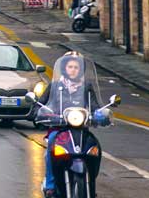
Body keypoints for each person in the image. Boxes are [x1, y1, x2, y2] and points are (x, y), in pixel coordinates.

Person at [34, 52, 112, 197]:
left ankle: (91, 182)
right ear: (64, 68)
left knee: (94, 147)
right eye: (70, 66)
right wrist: (42, 113)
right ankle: (50, 185)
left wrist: (101, 115)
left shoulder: (86, 87)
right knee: (50, 147)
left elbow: (95, 106)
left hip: (81, 130)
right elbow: (39, 105)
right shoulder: (55, 86)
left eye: (76, 67)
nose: (73, 69)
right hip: (59, 129)